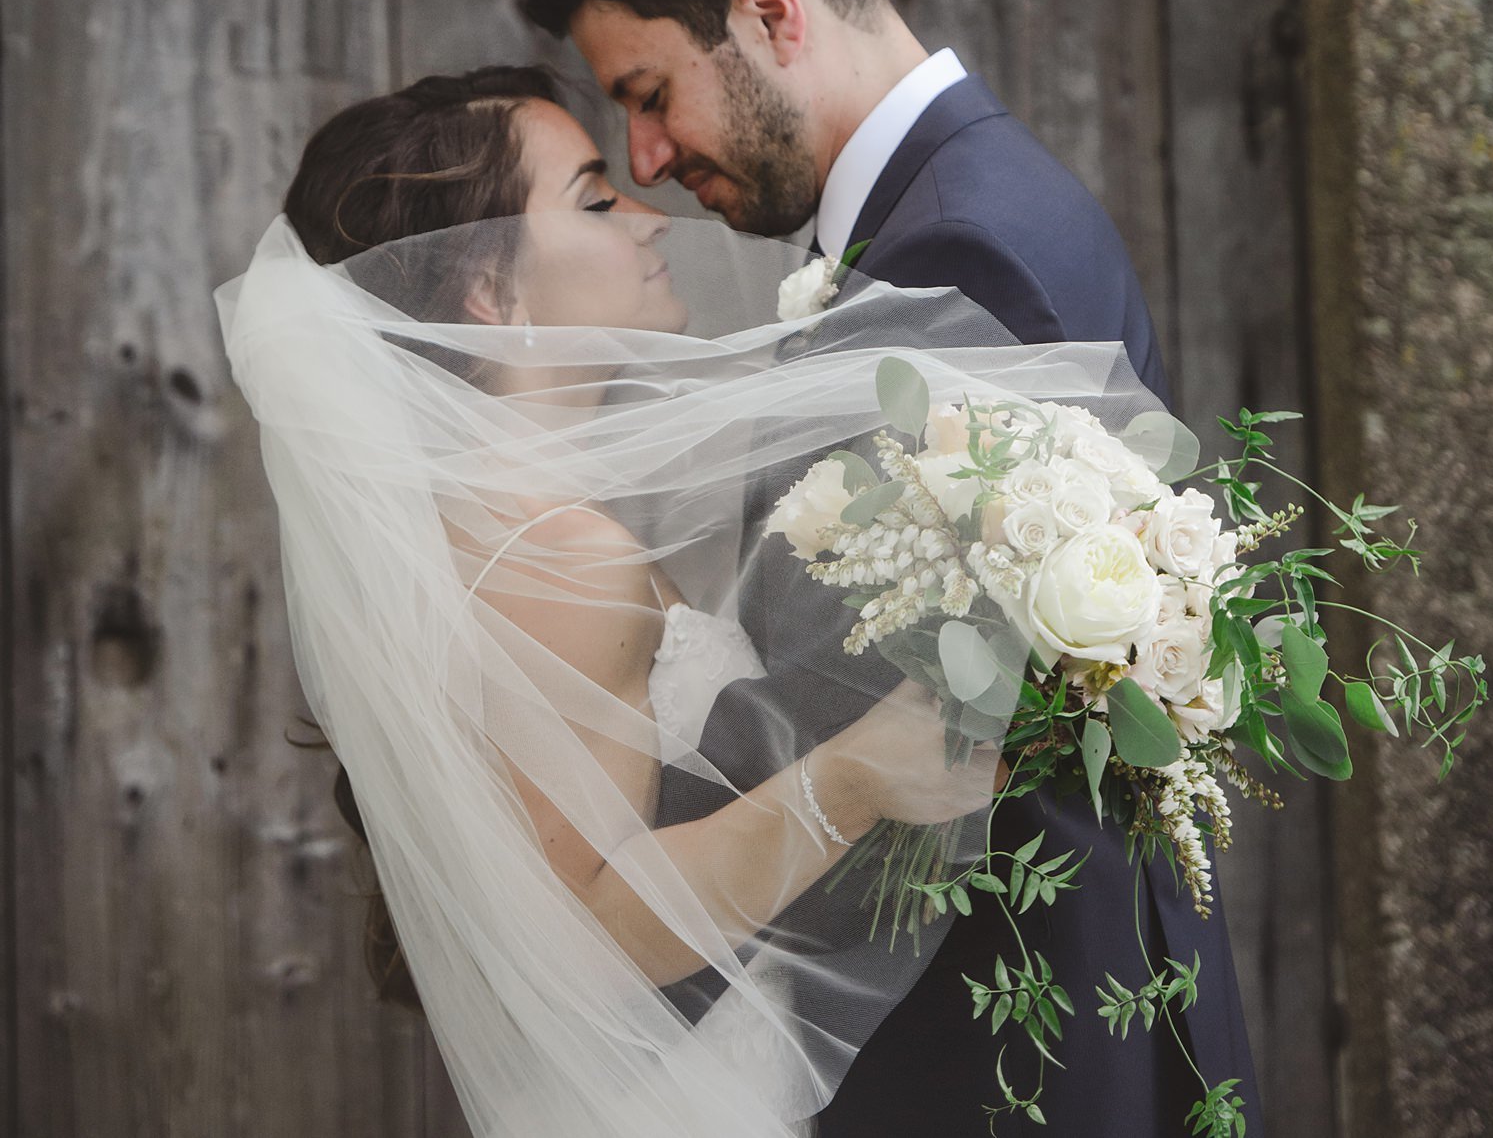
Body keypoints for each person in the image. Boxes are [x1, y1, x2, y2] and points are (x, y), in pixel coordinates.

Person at [523, 0, 1262, 1138]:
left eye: (646, 93)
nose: (647, 161)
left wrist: (577, 810)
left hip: (1023, 1045)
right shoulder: (943, 214)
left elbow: (903, 710)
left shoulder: (957, 252)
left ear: (768, 13)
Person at [220, 65, 1009, 1138]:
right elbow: (581, 942)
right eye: (595, 198)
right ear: (491, 297)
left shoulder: (517, 534)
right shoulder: (556, 558)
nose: (650, 219)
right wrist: (859, 778)